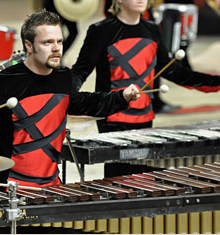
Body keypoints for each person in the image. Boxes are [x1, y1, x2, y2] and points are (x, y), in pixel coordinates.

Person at [0, 9, 139, 191]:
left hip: (51, 185)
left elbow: (86, 103)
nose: (56, 48)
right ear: (29, 45)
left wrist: (122, 96)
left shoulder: (63, 77)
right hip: (8, 188)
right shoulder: (3, 80)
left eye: (59, 41)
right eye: (47, 42)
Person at [71, 0, 220, 177]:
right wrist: (62, 96)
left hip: (144, 116)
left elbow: (173, 71)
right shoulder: (101, 30)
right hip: (113, 117)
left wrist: (215, 82)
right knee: (119, 178)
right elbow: (80, 72)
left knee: (144, 176)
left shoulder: (152, 29)